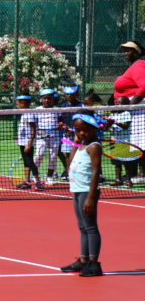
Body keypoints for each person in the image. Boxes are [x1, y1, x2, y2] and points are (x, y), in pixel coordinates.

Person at [59, 114, 104, 277]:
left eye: (85, 130)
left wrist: (91, 198)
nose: (81, 133)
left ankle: (94, 264)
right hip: (77, 190)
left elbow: (96, 172)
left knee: (90, 227)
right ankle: (84, 260)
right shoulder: (81, 145)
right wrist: (75, 143)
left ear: (93, 129)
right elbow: (70, 163)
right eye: (78, 130)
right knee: (82, 227)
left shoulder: (94, 146)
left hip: (87, 191)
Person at [113, 41, 145, 183]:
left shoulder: (139, 65)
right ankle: (134, 174)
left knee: (141, 143)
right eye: (124, 51)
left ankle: (143, 174)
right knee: (135, 143)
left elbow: (144, 86)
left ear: (136, 52)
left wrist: (129, 106)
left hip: (138, 109)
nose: (125, 53)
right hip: (133, 109)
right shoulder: (133, 66)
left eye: (128, 50)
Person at [32, 88, 61, 186]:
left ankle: (49, 177)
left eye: (49, 98)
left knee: (53, 157)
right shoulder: (37, 110)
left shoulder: (57, 110)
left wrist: (60, 125)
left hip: (54, 137)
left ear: (53, 99)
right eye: (45, 98)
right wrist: (40, 132)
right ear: (41, 99)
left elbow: (61, 121)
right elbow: (34, 126)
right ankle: (35, 174)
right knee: (39, 155)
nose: (47, 100)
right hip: (41, 137)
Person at [14, 94, 43, 191]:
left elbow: (33, 129)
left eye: (17, 103)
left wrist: (29, 144)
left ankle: (38, 181)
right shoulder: (24, 113)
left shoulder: (29, 114)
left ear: (23, 103)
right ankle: (26, 182)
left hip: (27, 142)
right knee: (26, 162)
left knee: (30, 162)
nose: (17, 105)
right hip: (22, 142)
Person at [56, 84, 82, 180]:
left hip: (79, 135)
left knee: (79, 153)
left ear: (76, 94)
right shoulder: (64, 106)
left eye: (71, 94)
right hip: (67, 135)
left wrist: (75, 130)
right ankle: (68, 171)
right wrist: (63, 126)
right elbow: (61, 119)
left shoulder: (81, 106)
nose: (69, 96)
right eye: (67, 94)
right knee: (68, 154)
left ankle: (79, 172)